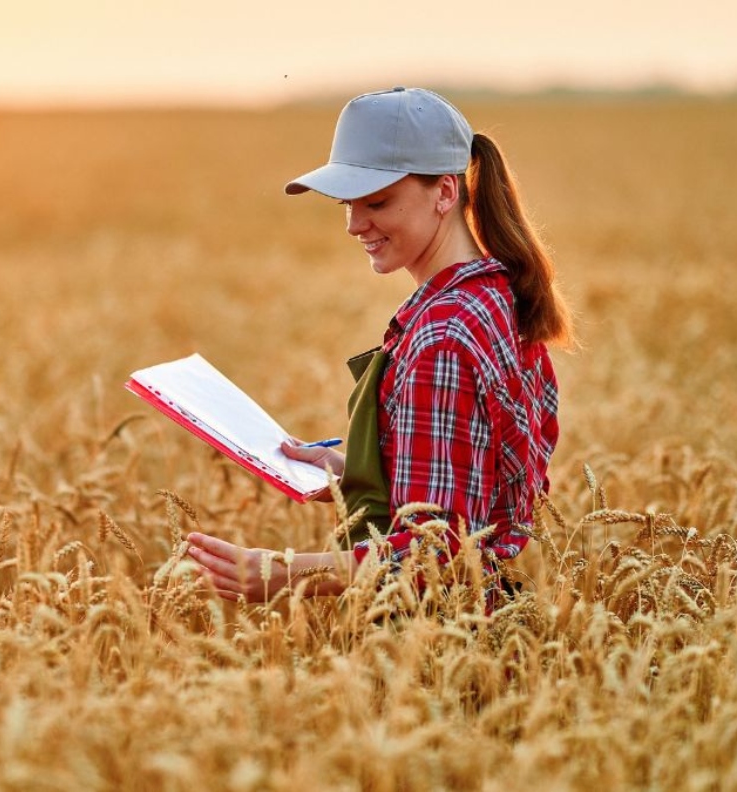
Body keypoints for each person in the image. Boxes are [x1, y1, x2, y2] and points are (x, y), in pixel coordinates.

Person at [185, 87, 574, 610]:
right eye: (348, 203)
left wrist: (279, 573)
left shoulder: (442, 339)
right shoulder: (495, 299)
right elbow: (488, 480)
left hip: (436, 643)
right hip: (480, 623)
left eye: (378, 202)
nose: (354, 224)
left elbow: (434, 553)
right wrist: (361, 468)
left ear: (444, 192)